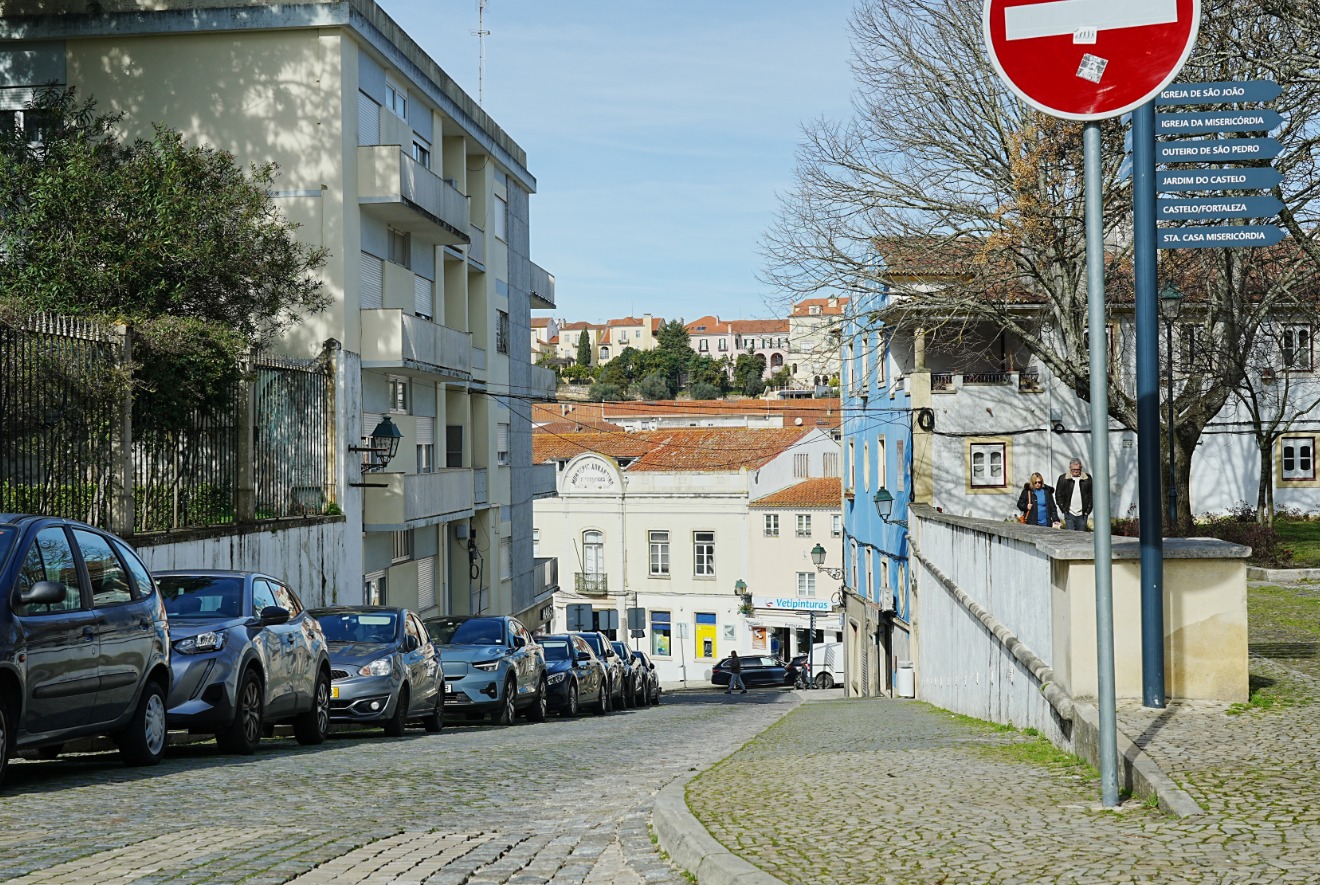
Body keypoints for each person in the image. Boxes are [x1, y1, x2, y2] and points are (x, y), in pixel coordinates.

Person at [1055, 458, 1093, 531]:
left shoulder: (1087, 478)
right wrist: (1064, 509)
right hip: (1069, 513)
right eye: (1073, 469)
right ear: (1070, 468)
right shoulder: (1063, 478)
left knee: (1081, 534)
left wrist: (1087, 511)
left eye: (1078, 469)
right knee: (1070, 534)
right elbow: (1058, 495)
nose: (1075, 471)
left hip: (1083, 514)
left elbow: (1091, 495)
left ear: (1081, 468)